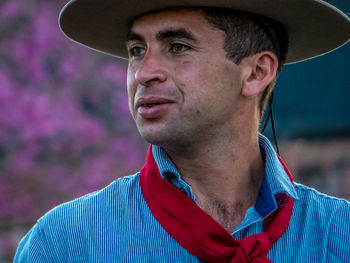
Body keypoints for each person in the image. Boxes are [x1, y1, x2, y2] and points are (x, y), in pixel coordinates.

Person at [15, 0, 350, 262]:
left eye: (177, 47)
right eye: (136, 51)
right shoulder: (64, 244)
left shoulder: (340, 235)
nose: (143, 73)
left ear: (256, 72)